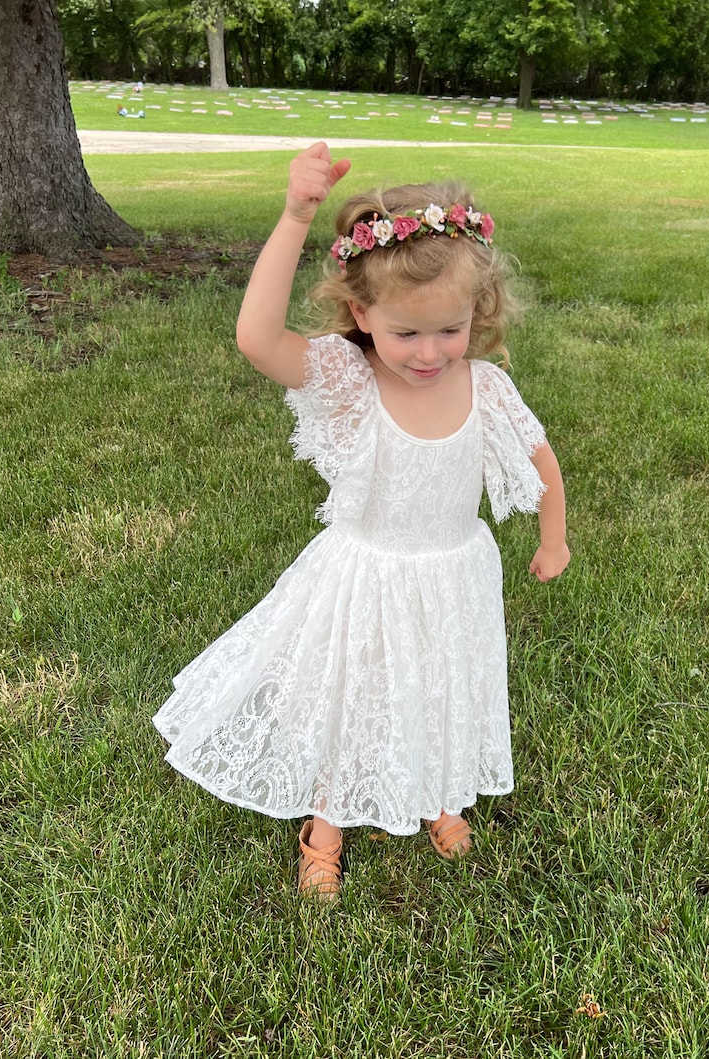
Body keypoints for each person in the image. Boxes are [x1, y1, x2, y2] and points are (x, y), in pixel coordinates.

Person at [152, 142, 570, 901]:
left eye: (448, 329)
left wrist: (554, 536)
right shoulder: (349, 379)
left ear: (475, 314)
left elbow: (540, 458)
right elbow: (256, 339)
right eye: (405, 333)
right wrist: (293, 216)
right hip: (367, 574)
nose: (428, 351)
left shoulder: (485, 386)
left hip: (452, 571)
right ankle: (327, 825)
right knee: (353, 698)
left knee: (441, 683)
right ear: (361, 314)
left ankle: (439, 793)